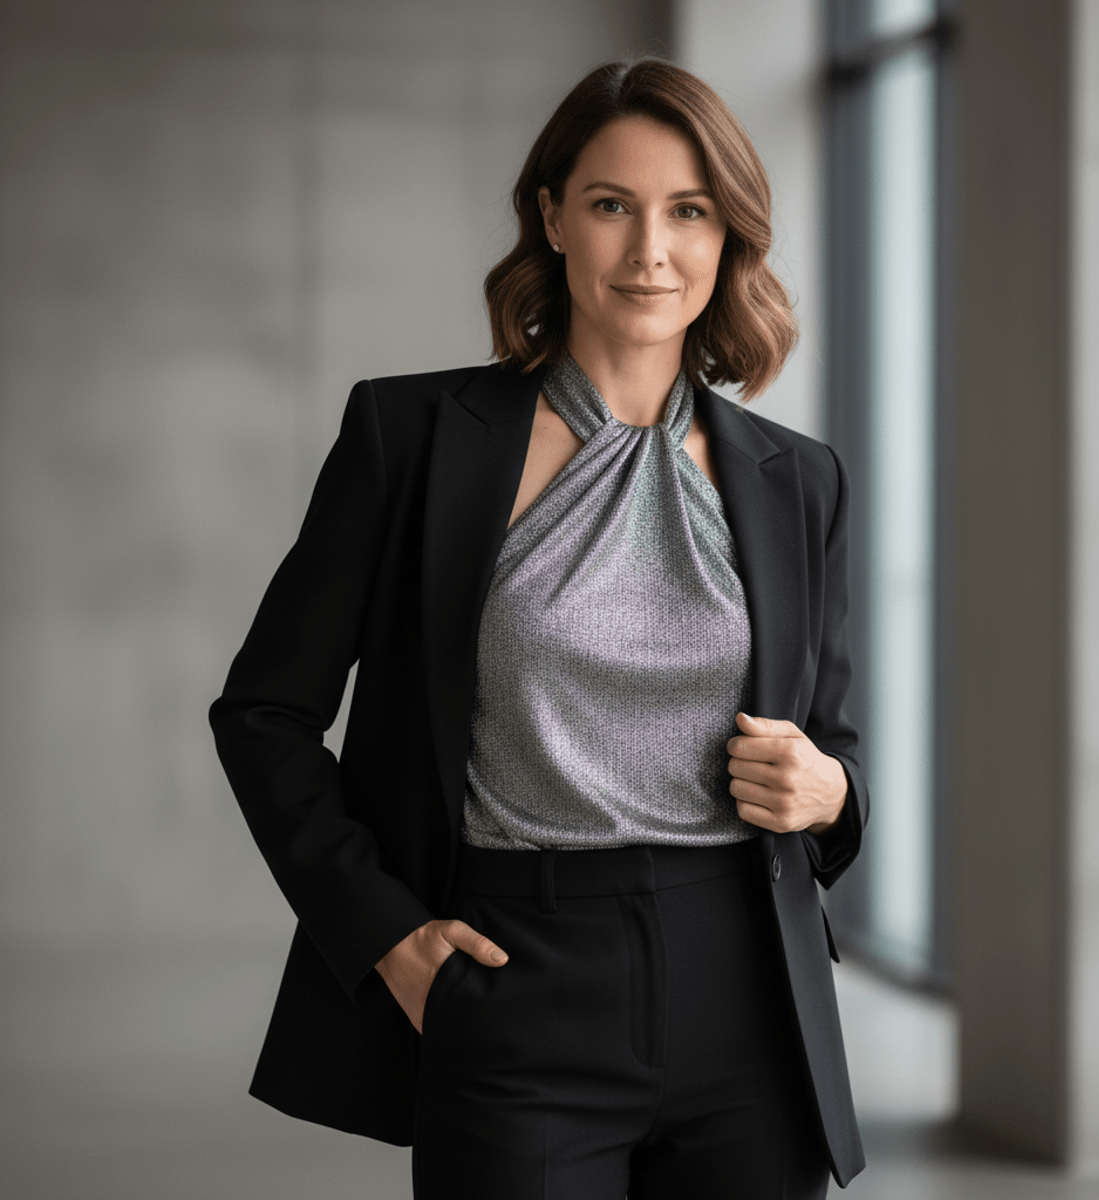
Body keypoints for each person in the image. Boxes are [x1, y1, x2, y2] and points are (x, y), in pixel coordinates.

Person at [210, 57, 868, 1199]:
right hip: (520, 978)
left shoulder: (795, 479)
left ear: (730, 238)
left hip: (751, 993)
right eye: (613, 205)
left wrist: (833, 793)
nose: (650, 251)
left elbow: (833, 745)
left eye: (689, 212)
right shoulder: (411, 438)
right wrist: (389, 942)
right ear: (553, 215)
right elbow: (263, 713)